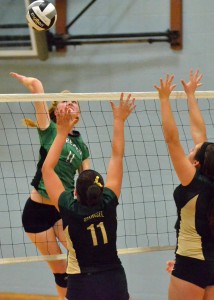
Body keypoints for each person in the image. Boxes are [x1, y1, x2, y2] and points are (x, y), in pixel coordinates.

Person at [42, 93, 136, 300]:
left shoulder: (69, 208)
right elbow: (117, 156)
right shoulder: (108, 202)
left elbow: (47, 170)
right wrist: (119, 121)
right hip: (113, 278)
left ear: (74, 193)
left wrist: (61, 133)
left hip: (82, 282)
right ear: (102, 190)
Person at [10, 72, 90, 300]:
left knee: (84, 257)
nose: (70, 103)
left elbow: (86, 180)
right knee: (61, 271)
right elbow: (38, 87)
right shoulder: (49, 128)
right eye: (65, 100)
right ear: (56, 110)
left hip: (62, 209)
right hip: (36, 214)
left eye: (74, 101)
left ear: (79, 112)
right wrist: (30, 83)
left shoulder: (82, 146)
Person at [154, 69, 214, 300]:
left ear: (197, 163)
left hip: (191, 263)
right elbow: (200, 136)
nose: (190, 149)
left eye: (192, 151)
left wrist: (164, 100)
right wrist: (190, 96)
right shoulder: (208, 176)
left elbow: (172, 140)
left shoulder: (192, 181)